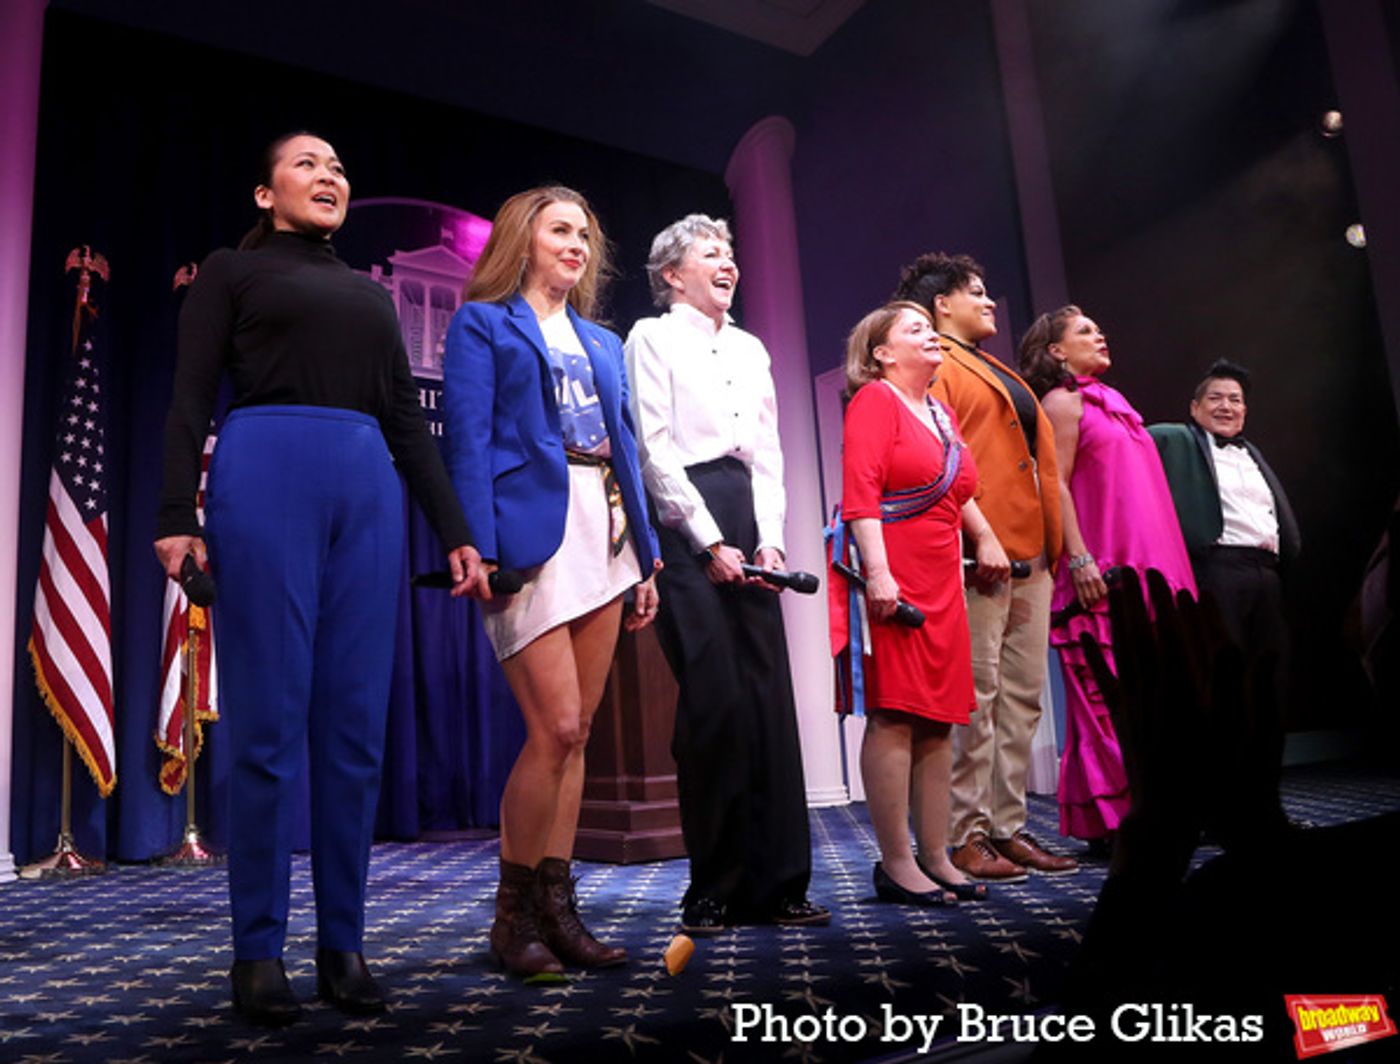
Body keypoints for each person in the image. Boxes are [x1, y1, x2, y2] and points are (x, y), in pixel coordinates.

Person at [154, 132, 486, 1026]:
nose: (329, 175)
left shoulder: (368, 295)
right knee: (267, 726)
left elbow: (405, 424)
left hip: (366, 485)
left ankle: (344, 944)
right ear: (266, 193)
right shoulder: (231, 271)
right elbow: (189, 395)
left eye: (339, 166)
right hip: (265, 472)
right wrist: (174, 516)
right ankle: (257, 952)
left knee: (352, 728)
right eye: (307, 164)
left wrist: (455, 531)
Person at [442, 185, 660, 978]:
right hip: (528, 534)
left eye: (584, 235)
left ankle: (558, 913)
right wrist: (476, 543)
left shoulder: (602, 341)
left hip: (604, 532)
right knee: (557, 728)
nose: (575, 244)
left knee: (582, 736)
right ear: (522, 241)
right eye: (559, 230)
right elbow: (465, 440)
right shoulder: (483, 323)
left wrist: (645, 551)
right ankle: (512, 922)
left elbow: (626, 447)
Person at [624, 214, 828, 934]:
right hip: (688, 522)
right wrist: (711, 542)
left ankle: (781, 884)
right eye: (709, 253)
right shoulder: (649, 337)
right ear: (673, 274)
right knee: (714, 703)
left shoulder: (750, 346)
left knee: (768, 697)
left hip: (747, 513)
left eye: (731, 252)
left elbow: (768, 453)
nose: (728, 262)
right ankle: (713, 886)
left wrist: (770, 541)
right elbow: (652, 450)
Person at [893, 253, 1077, 880]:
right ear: (941, 305)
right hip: (980, 556)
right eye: (976, 292)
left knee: (1022, 700)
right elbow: (938, 456)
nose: (989, 300)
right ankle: (962, 834)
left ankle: (1005, 826)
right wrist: (981, 540)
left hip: (1032, 551)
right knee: (975, 699)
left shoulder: (996, 367)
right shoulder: (936, 363)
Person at [832, 301, 1007, 905]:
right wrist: (878, 576)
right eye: (915, 331)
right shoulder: (875, 402)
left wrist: (983, 534)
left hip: (943, 576)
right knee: (895, 712)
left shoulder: (939, 409)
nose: (931, 337)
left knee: (938, 719)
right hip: (896, 572)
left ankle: (936, 856)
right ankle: (897, 863)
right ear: (882, 353)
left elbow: (959, 488)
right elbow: (860, 495)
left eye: (930, 330)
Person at [1019, 306, 1196, 847]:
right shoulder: (1062, 403)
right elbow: (1056, 485)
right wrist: (1078, 557)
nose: (1100, 334)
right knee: (1107, 701)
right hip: (1100, 573)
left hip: (1152, 570)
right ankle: (1120, 823)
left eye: (1099, 327)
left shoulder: (1115, 403)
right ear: (1056, 351)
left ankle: (1165, 807)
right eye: (1085, 331)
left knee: (1157, 696)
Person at [1148, 359, 1300, 716]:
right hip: (1218, 570)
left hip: (1266, 573)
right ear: (1195, 407)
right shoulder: (1178, 441)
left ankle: (1264, 767)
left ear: (1245, 410)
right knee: (1224, 674)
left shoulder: (1252, 454)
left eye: (1234, 399)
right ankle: (1225, 768)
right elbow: (1131, 443)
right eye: (1215, 398)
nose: (1226, 406)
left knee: (1270, 675)